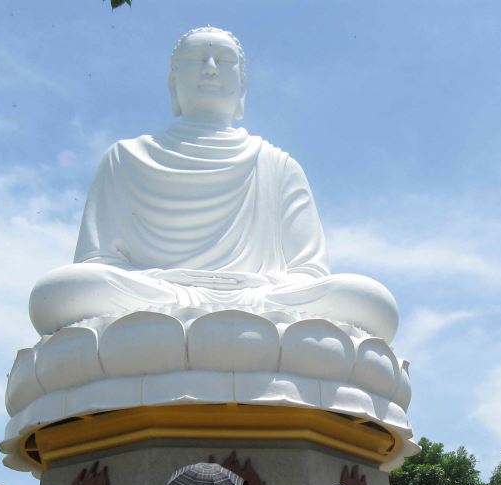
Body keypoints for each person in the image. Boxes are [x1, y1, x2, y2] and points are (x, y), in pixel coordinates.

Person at [28, 26, 398, 343]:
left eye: (223, 60)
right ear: (173, 82)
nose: (209, 69)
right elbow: (99, 262)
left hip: (260, 299)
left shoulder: (277, 165)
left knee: (368, 300)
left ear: (243, 85)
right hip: (156, 293)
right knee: (60, 293)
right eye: (195, 59)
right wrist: (169, 285)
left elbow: (308, 272)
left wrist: (254, 291)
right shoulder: (126, 157)